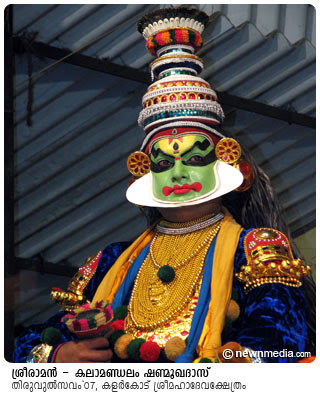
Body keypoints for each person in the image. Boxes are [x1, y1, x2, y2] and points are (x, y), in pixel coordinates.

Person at [14, 7, 315, 364]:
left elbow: (285, 335)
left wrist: (233, 361)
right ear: (144, 175)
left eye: (193, 158)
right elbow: (35, 339)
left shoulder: (255, 247)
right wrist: (57, 354)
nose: (177, 174)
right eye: (162, 162)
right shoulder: (110, 262)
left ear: (229, 164)